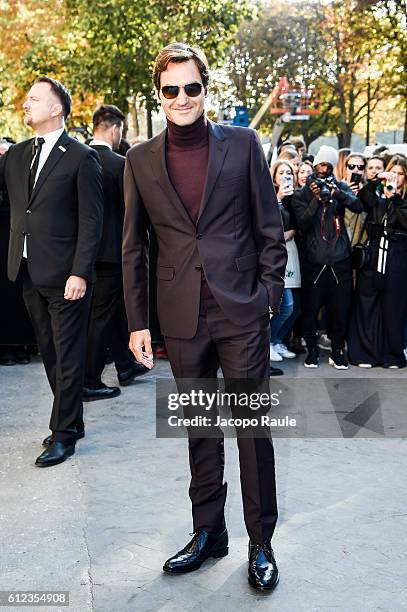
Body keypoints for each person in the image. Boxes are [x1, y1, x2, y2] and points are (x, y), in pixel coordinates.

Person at [122, 42, 287, 591]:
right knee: (199, 429)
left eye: (192, 87)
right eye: (171, 89)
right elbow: (134, 247)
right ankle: (207, 532)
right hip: (180, 316)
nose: (182, 98)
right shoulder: (140, 160)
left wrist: (267, 297)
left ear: (205, 88)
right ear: (159, 93)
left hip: (241, 311)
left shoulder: (241, 145)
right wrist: (139, 321)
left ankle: (259, 541)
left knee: (251, 430)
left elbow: (270, 229)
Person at [0, 77, 103, 466]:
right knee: (49, 352)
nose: (26, 104)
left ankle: (63, 434)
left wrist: (80, 272)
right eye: (26, 99)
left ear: (57, 108)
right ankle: (70, 421)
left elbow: (93, 221)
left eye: (35, 98)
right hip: (27, 270)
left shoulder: (80, 156)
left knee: (69, 355)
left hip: (66, 277)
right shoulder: (16, 154)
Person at [84, 105, 147, 401]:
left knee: (109, 314)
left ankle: (125, 365)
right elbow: (132, 212)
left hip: (81, 254)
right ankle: (90, 378)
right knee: (102, 317)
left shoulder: (74, 157)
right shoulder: (120, 163)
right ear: (114, 129)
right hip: (112, 252)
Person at [292, 145, 363, 369]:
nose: (324, 169)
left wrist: (338, 194)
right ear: (314, 166)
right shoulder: (302, 192)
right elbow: (301, 223)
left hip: (340, 258)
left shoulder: (339, 187)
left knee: (340, 309)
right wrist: (315, 199)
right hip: (314, 260)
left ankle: (337, 350)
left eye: (328, 166)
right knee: (310, 309)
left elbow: (359, 206)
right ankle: (312, 350)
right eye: (321, 165)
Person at [348, 156, 407, 368]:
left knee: (393, 306)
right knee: (366, 302)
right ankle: (365, 352)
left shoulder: (401, 198)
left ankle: (392, 354)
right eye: (393, 172)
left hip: (397, 255)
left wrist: (396, 199)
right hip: (373, 254)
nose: (396, 177)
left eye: (401, 174)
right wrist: (375, 180)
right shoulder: (377, 194)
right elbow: (362, 200)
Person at [269, 160, 300, 361]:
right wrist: (278, 197)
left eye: (289, 172)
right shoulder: (269, 195)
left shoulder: (297, 197)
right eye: (281, 173)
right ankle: (269, 342)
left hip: (294, 253)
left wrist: (294, 230)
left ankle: (278, 340)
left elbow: (303, 221)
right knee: (285, 304)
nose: (285, 176)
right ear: (274, 176)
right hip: (276, 255)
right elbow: (269, 221)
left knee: (296, 307)